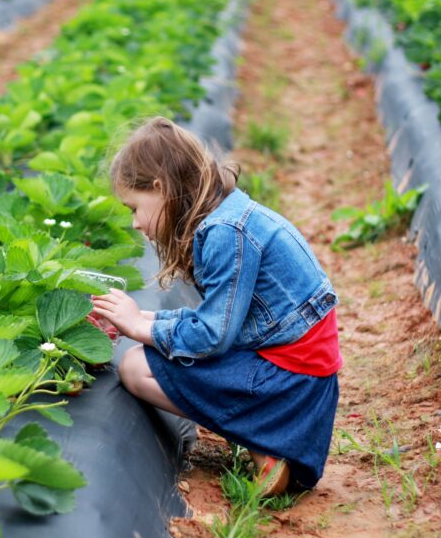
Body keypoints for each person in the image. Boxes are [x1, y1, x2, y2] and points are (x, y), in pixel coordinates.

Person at [91, 117, 342, 496]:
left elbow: (212, 335)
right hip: (296, 369)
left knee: (135, 367)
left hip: (292, 383)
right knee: (148, 353)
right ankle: (267, 442)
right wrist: (138, 317)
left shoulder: (226, 233)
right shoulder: (229, 214)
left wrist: (142, 328)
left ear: (160, 189)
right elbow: (222, 320)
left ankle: (266, 443)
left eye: (134, 207)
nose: (135, 224)